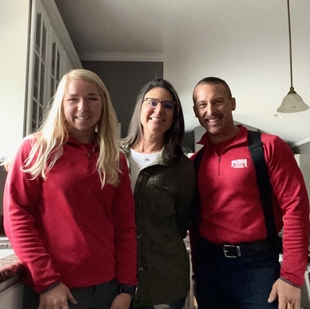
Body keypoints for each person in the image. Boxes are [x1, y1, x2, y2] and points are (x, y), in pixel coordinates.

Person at [3, 69, 137, 309]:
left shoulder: (115, 158)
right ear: (61, 105)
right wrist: (48, 282)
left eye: (92, 98)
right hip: (55, 290)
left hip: (107, 289)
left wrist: (127, 288)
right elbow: (17, 218)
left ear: (103, 104)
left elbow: (124, 226)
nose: (83, 106)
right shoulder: (35, 149)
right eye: (73, 99)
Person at [190, 76, 309, 309]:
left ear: (233, 103)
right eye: (203, 105)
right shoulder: (195, 162)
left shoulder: (268, 147)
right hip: (209, 270)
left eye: (218, 101)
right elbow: (196, 222)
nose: (211, 110)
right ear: (196, 112)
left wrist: (292, 277)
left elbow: (296, 208)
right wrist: (198, 273)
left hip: (258, 270)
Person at [120, 79, 196, 309]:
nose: (159, 110)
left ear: (175, 115)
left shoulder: (182, 167)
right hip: (113, 281)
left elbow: (182, 221)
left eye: (168, 105)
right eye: (152, 102)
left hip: (164, 282)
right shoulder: (111, 153)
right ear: (140, 108)